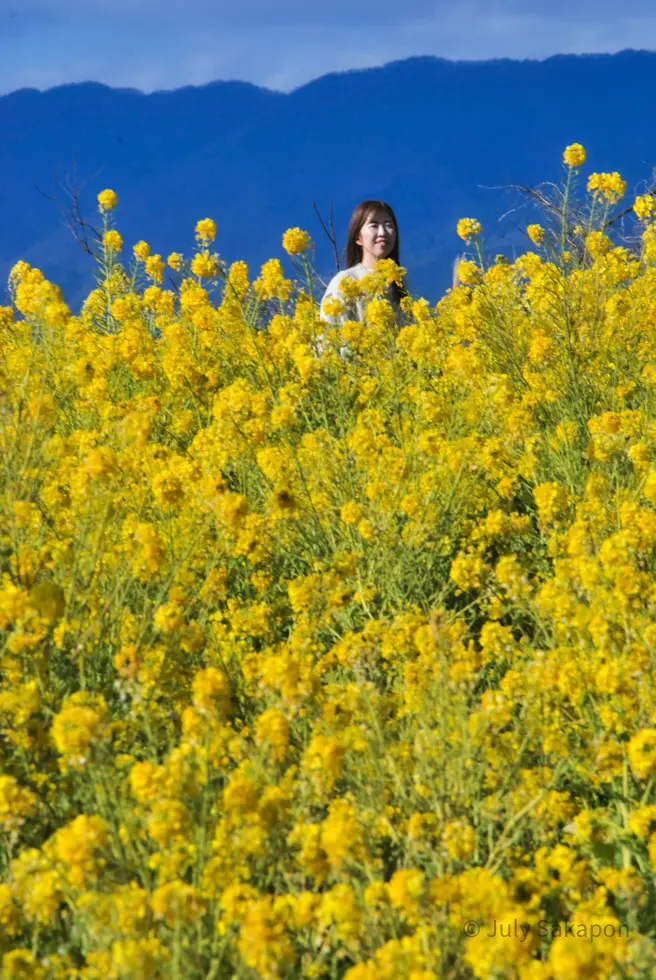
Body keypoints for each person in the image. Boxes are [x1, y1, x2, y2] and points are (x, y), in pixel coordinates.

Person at [317, 200, 409, 354]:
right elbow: (326, 342)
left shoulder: (400, 285)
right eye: (374, 225)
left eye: (388, 225)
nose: (382, 232)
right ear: (358, 237)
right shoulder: (345, 282)